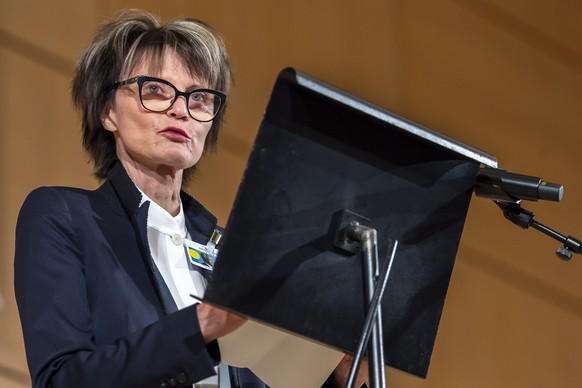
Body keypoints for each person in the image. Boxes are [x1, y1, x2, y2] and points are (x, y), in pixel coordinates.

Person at [14, 9, 367, 388]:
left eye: (199, 98)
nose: (180, 109)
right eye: (155, 89)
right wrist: (202, 325)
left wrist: (344, 375)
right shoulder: (64, 216)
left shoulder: (235, 253)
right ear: (107, 112)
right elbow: (60, 380)